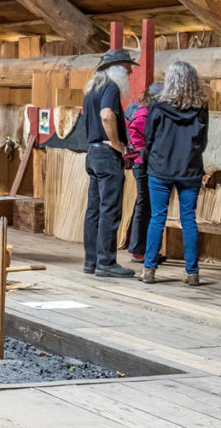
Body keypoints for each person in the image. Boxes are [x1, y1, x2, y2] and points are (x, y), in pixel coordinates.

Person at [140, 61, 208, 286]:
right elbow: (203, 141)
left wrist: (152, 158)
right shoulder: (201, 107)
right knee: (188, 219)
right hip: (189, 169)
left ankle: (149, 269)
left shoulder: (157, 105)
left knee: (157, 217)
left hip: (160, 168)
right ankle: (192, 273)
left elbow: (149, 137)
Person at [81, 48, 138, 278]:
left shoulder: (92, 89)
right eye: (127, 67)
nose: (131, 71)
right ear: (117, 69)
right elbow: (107, 115)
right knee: (109, 210)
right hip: (106, 153)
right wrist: (116, 143)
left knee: (93, 210)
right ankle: (106, 262)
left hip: (93, 152)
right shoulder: (111, 87)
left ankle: (91, 261)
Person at [124, 83, 162, 262]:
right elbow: (135, 133)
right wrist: (144, 151)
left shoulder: (138, 109)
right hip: (143, 163)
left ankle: (143, 249)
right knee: (144, 205)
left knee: (145, 205)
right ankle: (139, 251)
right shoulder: (145, 113)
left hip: (142, 162)